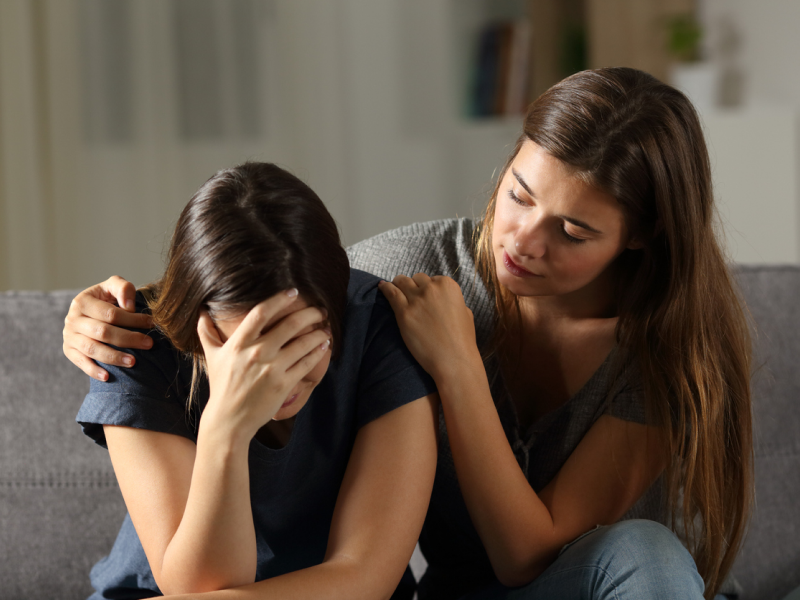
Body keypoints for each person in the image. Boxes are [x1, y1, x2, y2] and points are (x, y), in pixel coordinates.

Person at [63, 68, 753, 600]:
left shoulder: (674, 353)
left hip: (573, 585)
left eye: (573, 232)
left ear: (642, 237)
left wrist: (456, 367)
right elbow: (270, 270)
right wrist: (98, 313)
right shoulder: (402, 274)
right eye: (518, 193)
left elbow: (525, 555)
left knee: (648, 551)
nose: (523, 241)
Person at [71, 162, 439, 599]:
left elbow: (364, 577)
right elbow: (197, 586)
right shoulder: (134, 344)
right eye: (250, 352)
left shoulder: (379, 328)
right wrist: (225, 426)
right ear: (199, 326)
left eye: (301, 344)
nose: (278, 380)